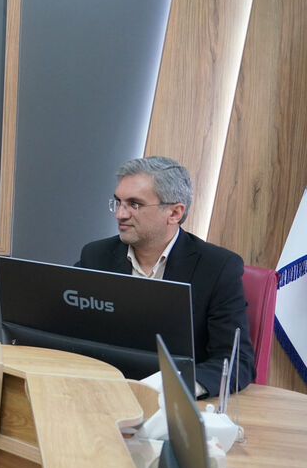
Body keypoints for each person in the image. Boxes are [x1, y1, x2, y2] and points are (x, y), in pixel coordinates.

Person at [76, 156, 255, 396]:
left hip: (171, 403)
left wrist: (173, 388)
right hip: (103, 391)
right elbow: (62, 332)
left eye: (134, 204)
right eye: (118, 202)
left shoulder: (217, 267)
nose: (120, 214)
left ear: (174, 213)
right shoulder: (96, 256)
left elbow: (235, 362)